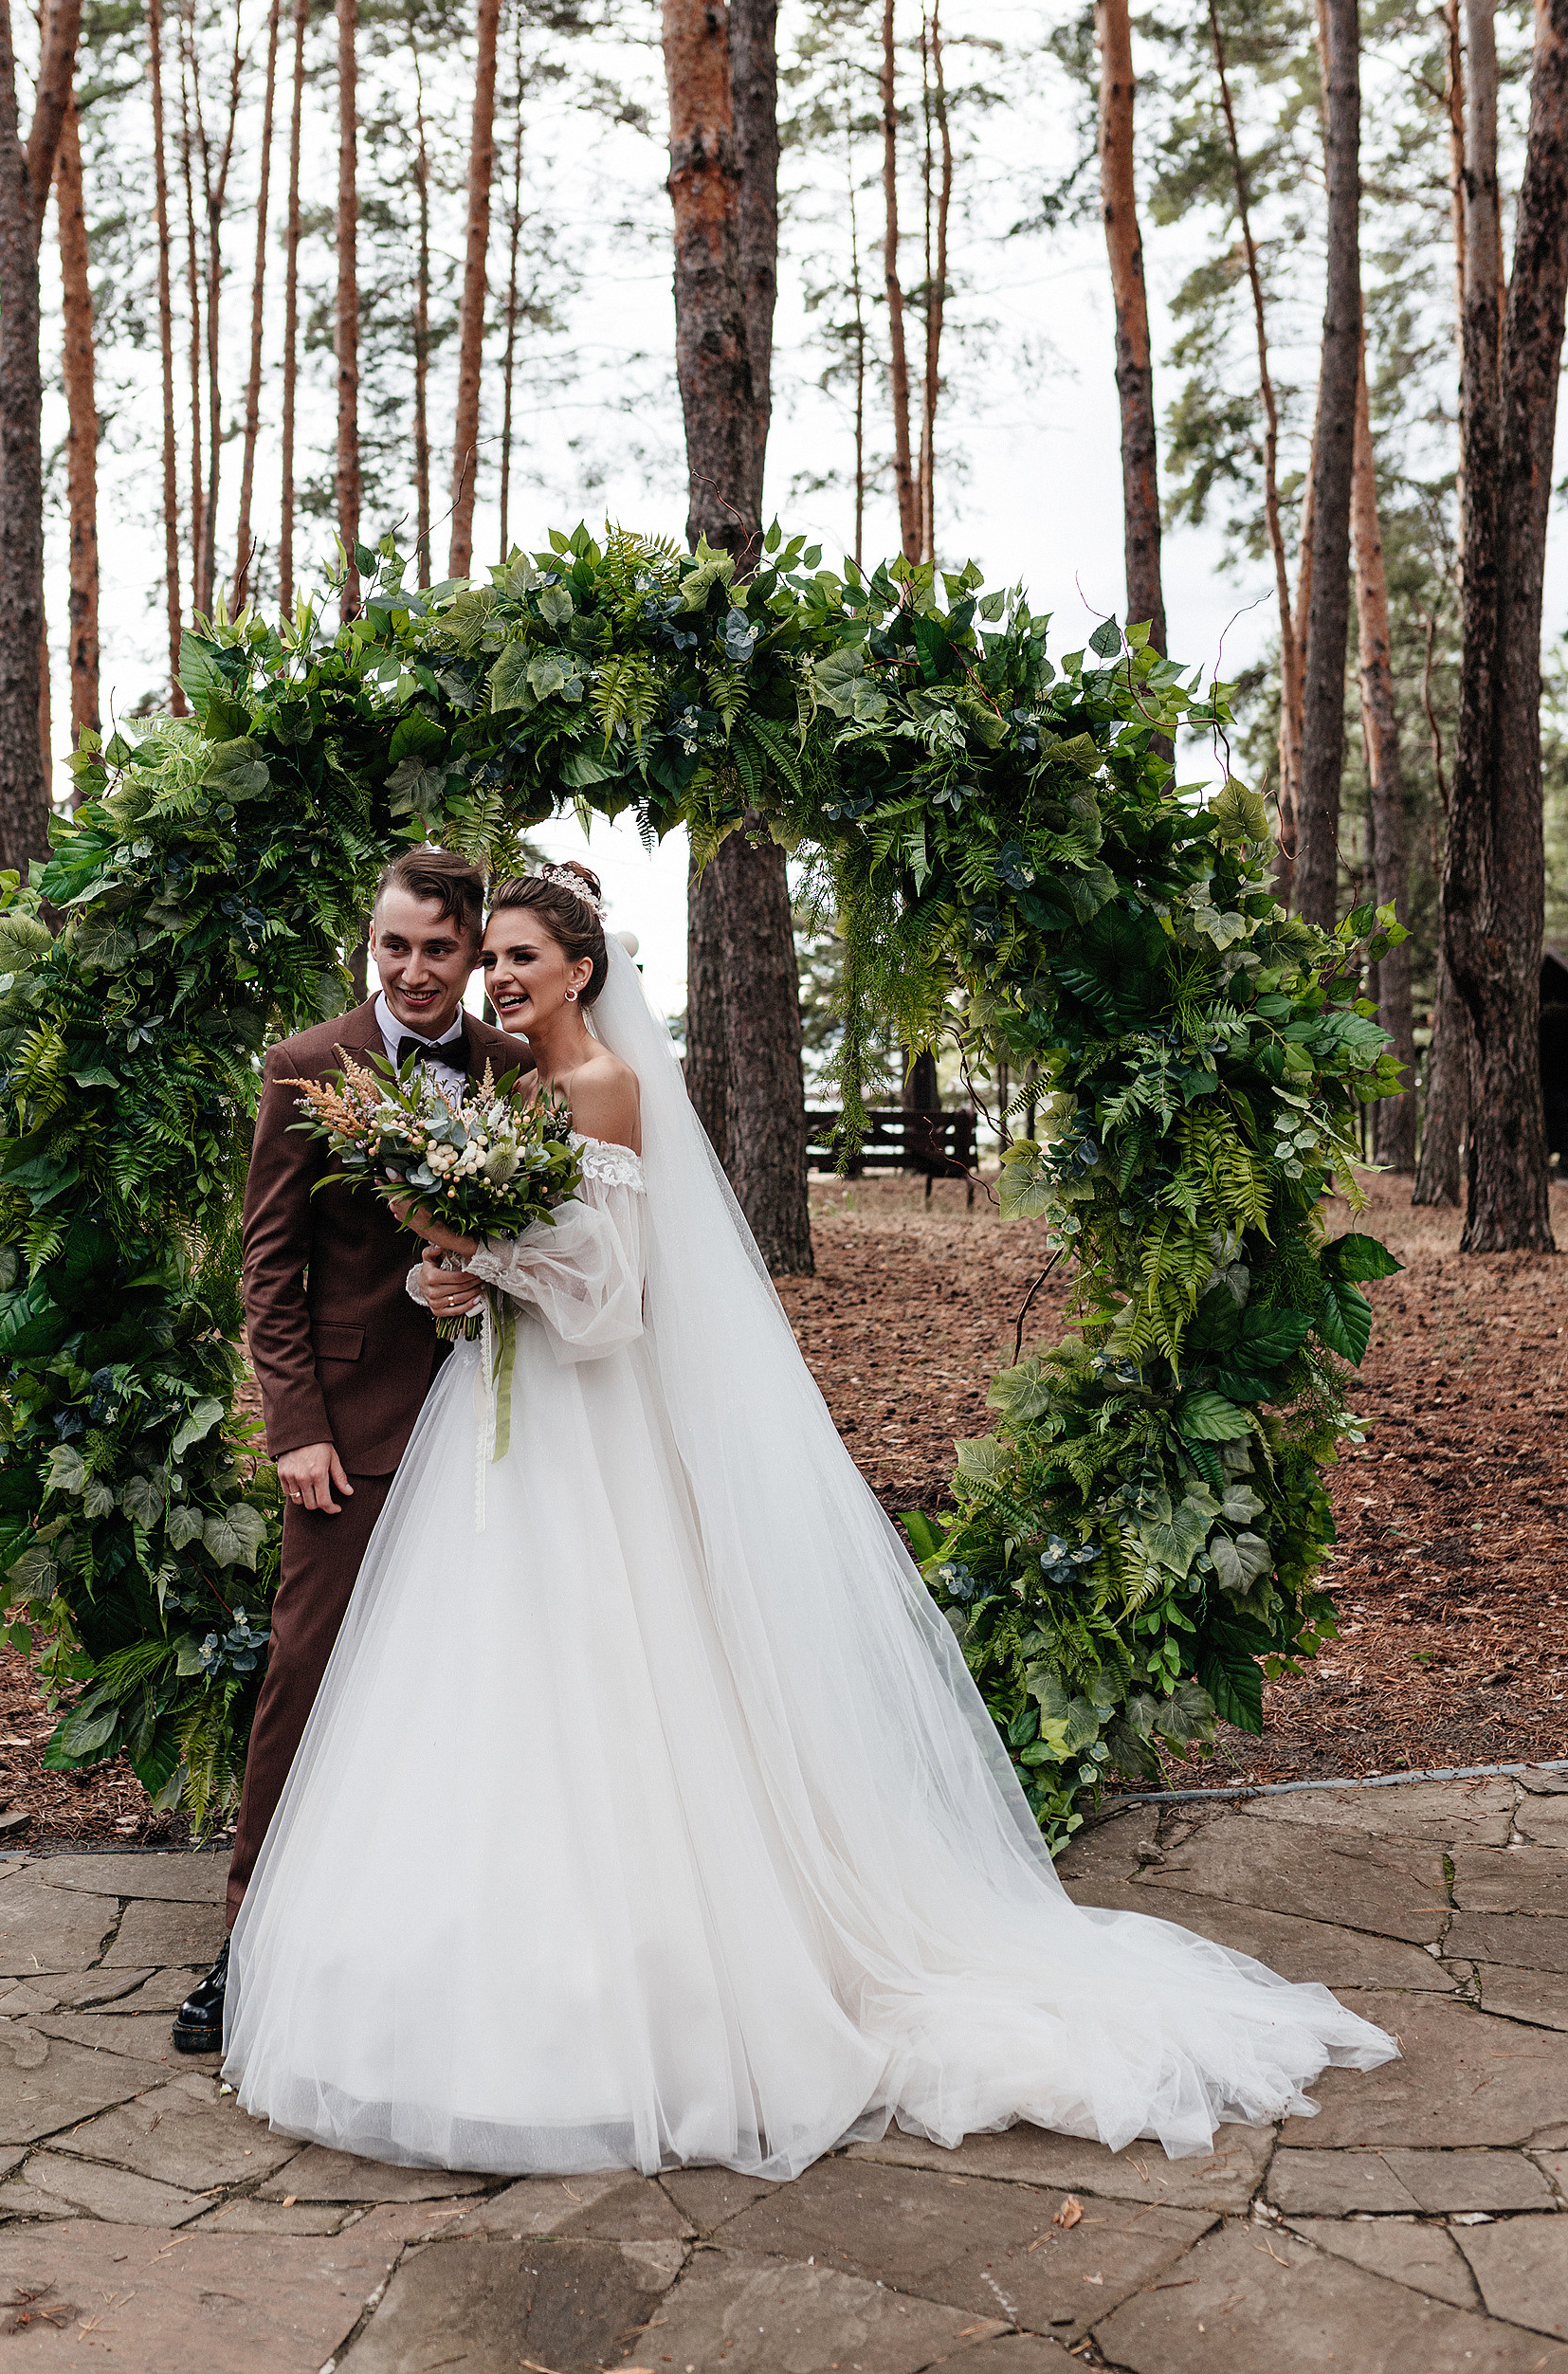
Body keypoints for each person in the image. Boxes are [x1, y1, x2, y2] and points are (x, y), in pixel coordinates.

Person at [222, 861, 1395, 2173]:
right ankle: (403, 1955)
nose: (487, 977)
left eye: (511, 959)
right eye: (473, 956)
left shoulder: (595, 1088)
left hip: (574, 1420)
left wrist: (470, 1254)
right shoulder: (488, 1080)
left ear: (580, 972)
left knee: (610, 1676)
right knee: (462, 1682)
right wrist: (463, 1279)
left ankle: (631, 1986)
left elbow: (612, 1302)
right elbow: (306, 1258)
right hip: (482, 1423)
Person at [172, 848, 527, 2055]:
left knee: (475, 1689)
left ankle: (440, 1942)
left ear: (473, 952)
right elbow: (267, 1269)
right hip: (352, 1438)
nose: (415, 971)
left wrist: (484, 1279)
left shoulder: (520, 1075)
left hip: (492, 1428)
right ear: (367, 944)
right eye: (394, 946)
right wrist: (297, 1431)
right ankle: (247, 1944)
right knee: (306, 1677)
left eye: (438, 949)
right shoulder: (305, 1067)